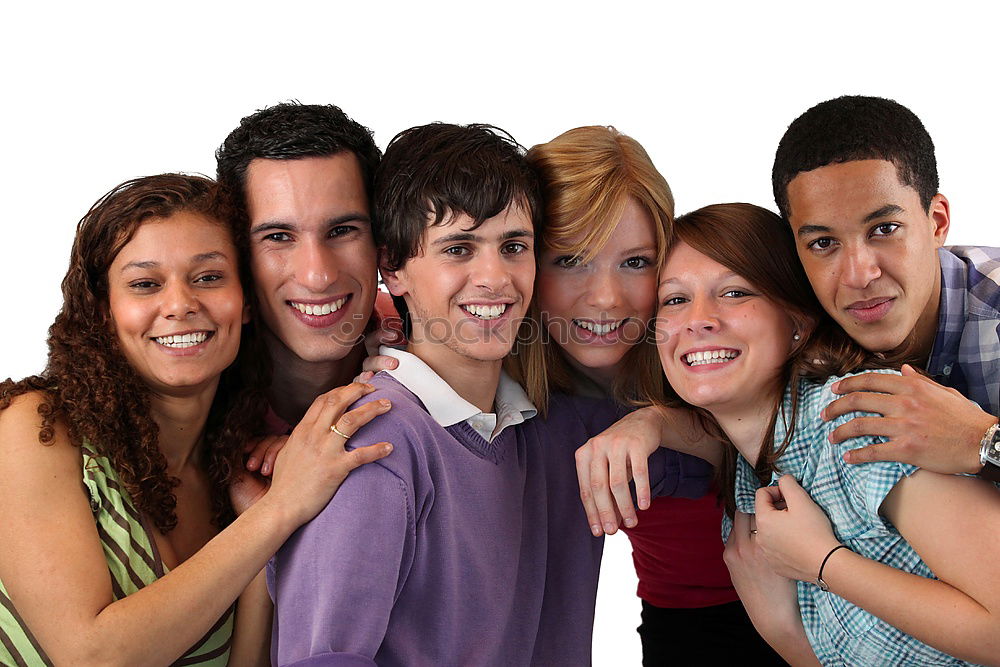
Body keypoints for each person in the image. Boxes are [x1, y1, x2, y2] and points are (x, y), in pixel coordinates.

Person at [267, 123, 712, 666]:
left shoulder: (557, 428)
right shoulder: (372, 451)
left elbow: (727, 457)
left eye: (514, 247)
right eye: (458, 248)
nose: (494, 278)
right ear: (394, 269)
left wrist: (654, 423)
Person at [0, 174, 391, 666]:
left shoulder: (235, 469)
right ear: (103, 312)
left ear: (246, 302)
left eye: (208, 277)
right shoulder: (37, 427)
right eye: (145, 284)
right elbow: (92, 656)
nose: (181, 305)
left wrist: (262, 524)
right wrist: (282, 509)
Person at [655, 202, 1000, 665]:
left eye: (735, 293)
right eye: (675, 299)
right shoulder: (750, 479)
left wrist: (824, 564)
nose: (699, 318)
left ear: (796, 324)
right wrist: (783, 631)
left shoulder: (859, 420)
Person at [509, 125, 776, 665]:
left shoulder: (701, 335)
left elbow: (766, 432)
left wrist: (652, 423)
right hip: (684, 623)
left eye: (635, 262)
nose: (606, 299)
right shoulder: (498, 346)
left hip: (822, 602)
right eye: (570, 259)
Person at [771, 95, 1000, 481]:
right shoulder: (791, 326)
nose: (859, 276)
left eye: (884, 229)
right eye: (823, 243)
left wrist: (982, 440)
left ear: (937, 223)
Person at [215, 101, 398, 443]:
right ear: (237, 251)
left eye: (342, 230)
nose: (318, 276)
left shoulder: (432, 336)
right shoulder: (195, 366)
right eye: (279, 237)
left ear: (382, 238)